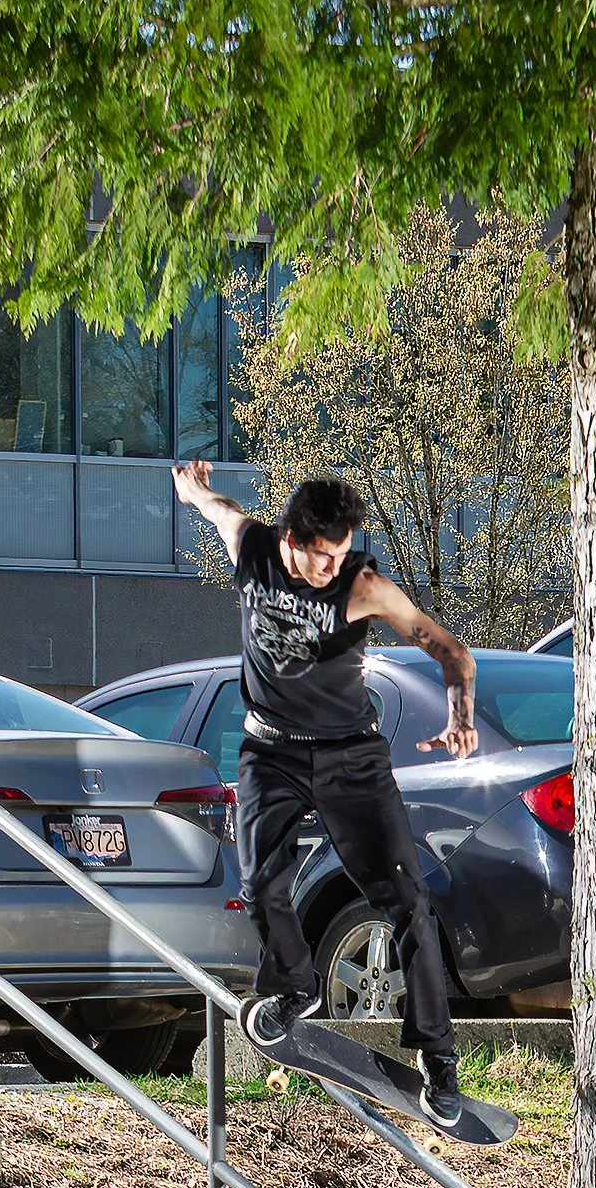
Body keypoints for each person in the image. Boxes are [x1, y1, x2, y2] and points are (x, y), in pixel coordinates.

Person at [172, 462, 476, 1129]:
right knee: (259, 884)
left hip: (350, 757)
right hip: (270, 752)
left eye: (341, 555)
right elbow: (218, 506)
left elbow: (451, 651)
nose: (331, 569)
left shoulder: (364, 585)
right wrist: (192, 489)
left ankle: (438, 1060)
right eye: (321, 557)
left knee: (408, 903)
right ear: (291, 540)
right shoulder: (252, 547)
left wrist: (460, 714)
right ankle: (295, 986)